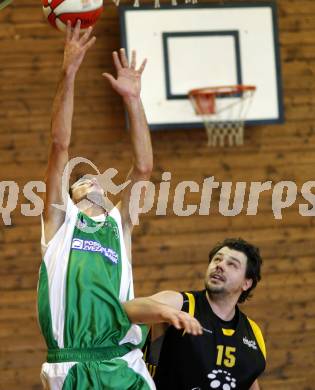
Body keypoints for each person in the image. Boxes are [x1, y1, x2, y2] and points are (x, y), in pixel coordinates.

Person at [38, 20, 202, 390]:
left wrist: (133, 99)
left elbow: (143, 167)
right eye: (81, 181)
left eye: (95, 179)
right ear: (71, 196)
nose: (91, 180)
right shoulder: (59, 224)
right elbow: (59, 144)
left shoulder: (119, 225)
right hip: (74, 365)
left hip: (125, 362)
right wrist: (69, 72)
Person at [143, 238, 266, 390]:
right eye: (217, 259)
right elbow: (129, 309)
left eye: (232, 264)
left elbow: (248, 378)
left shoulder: (253, 333)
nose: (220, 265)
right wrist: (163, 311)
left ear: (246, 283)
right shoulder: (181, 304)